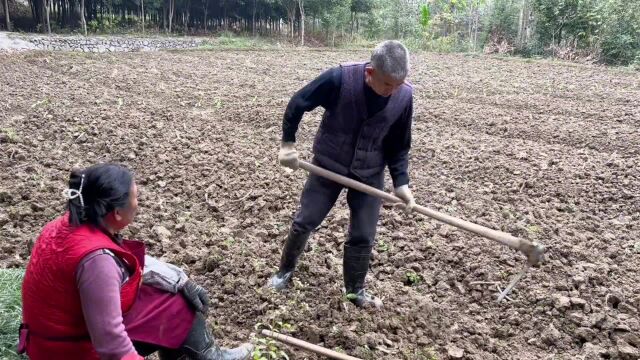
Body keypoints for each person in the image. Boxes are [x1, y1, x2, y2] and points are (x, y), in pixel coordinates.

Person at [19, 163, 253, 360]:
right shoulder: (96, 262)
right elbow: (111, 343)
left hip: (54, 335)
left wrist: (179, 279)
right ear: (117, 213)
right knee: (175, 308)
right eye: (136, 197)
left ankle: (199, 353)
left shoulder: (70, 225)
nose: (138, 203)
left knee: (171, 296)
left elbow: (120, 262)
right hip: (70, 350)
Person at [268, 40, 416, 308]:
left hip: (370, 172)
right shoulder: (339, 79)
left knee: (363, 233)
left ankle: (355, 291)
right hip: (328, 164)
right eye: (386, 85)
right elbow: (297, 103)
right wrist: (288, 144)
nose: (393, 91)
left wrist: (401, 183)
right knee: (306, 220)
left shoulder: (403, 96)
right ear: (370, 73)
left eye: (398, 85)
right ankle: (284, 273)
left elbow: (399, 144)